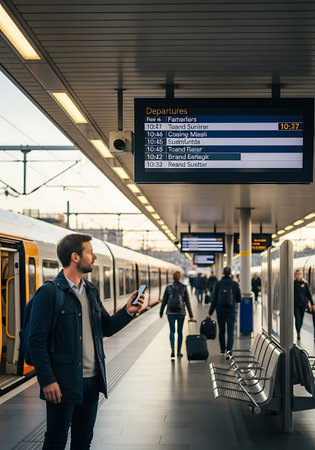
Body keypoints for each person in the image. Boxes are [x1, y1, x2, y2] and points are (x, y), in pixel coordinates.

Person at [28, 234, 144, 450]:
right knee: (55, 440)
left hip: (92, 381)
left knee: (83, 441)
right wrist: (47, 380)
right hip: (62, 382)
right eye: (90, 252)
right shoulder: (49, 292)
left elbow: (106, 327)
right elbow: (36, 340)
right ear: (75, 257)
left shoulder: (90, 291)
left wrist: (127, 311)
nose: (94, 257)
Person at [206, 266, 241, 356]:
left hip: (220, 311)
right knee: (230, 331)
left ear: (222, 273)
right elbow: (238, 299)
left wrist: (210, 313)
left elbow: (214, 299)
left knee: (221, 331)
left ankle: (222, 350)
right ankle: (229, 351)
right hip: (231, 311)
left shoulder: (218, 284)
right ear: (230, 274)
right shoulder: (234, 284)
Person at [160, 271, 195, 358]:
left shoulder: (168, 287)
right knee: (180, 332)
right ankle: (179, 352)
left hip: (170, 312)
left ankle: (172, 349)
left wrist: (161, 312)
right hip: (181, 312)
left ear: (173, 277)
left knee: (172, 331)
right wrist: (191, 315)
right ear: (180, 277)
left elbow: (164, 301)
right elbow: (187, 302)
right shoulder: (183, 287)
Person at [294, 269, 313, 340]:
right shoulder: (293, 283)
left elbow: (309, 294)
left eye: (299, 273)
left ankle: (299, 329)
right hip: (295, 305)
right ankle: (298, 332)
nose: (298, 275)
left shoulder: (305, 283)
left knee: (301, 319)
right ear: (295, 275)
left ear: (302, 274)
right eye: (297, 274)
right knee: (297, 319)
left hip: (303, 304)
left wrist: (312, 303)